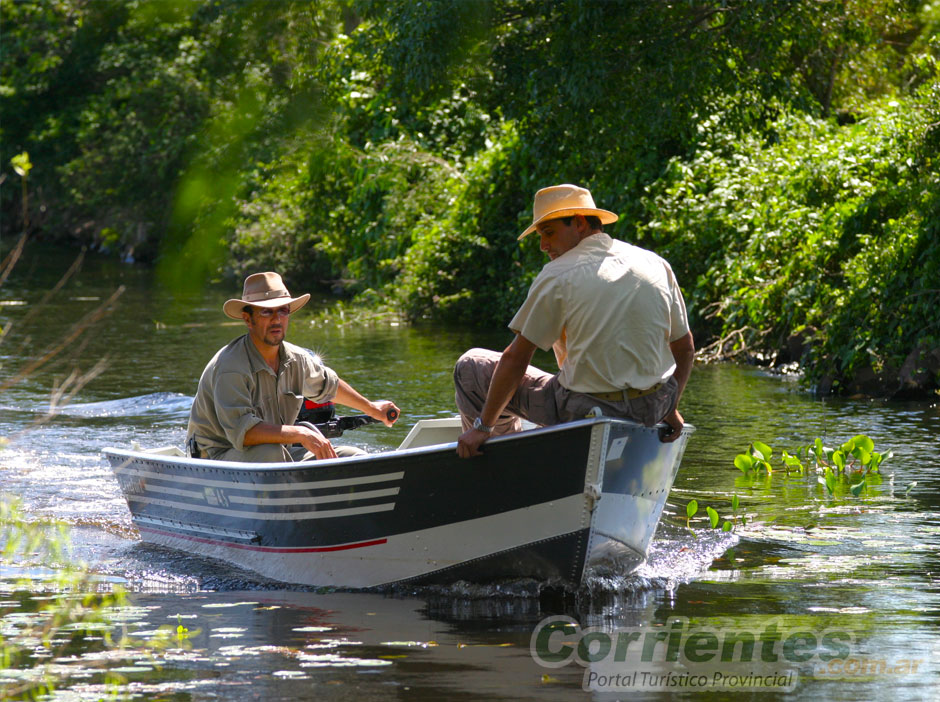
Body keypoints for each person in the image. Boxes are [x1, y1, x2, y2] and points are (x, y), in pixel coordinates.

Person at [455, 184, 694, 458]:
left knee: (471, 367)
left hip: (584, 408)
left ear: (579, 223)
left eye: (549, 233)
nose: (544, 246)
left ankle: (500, 457)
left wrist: (483, 425)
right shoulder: (655, 263)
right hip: (653, 406)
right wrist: (669, 406)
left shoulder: (558, 274)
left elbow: (515, 359)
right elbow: (685, 348)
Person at [187, 271, 399, 461]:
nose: (277, 320)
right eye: (266, 312)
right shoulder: (230, 366)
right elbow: (244, 432)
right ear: (248, 319)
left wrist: (373, 409)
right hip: (216, 456)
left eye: (283, 311)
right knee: (271, 454)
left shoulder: (296, 358)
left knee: (354, 457)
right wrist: (301, 434)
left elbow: (329, 387)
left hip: (276, 453)